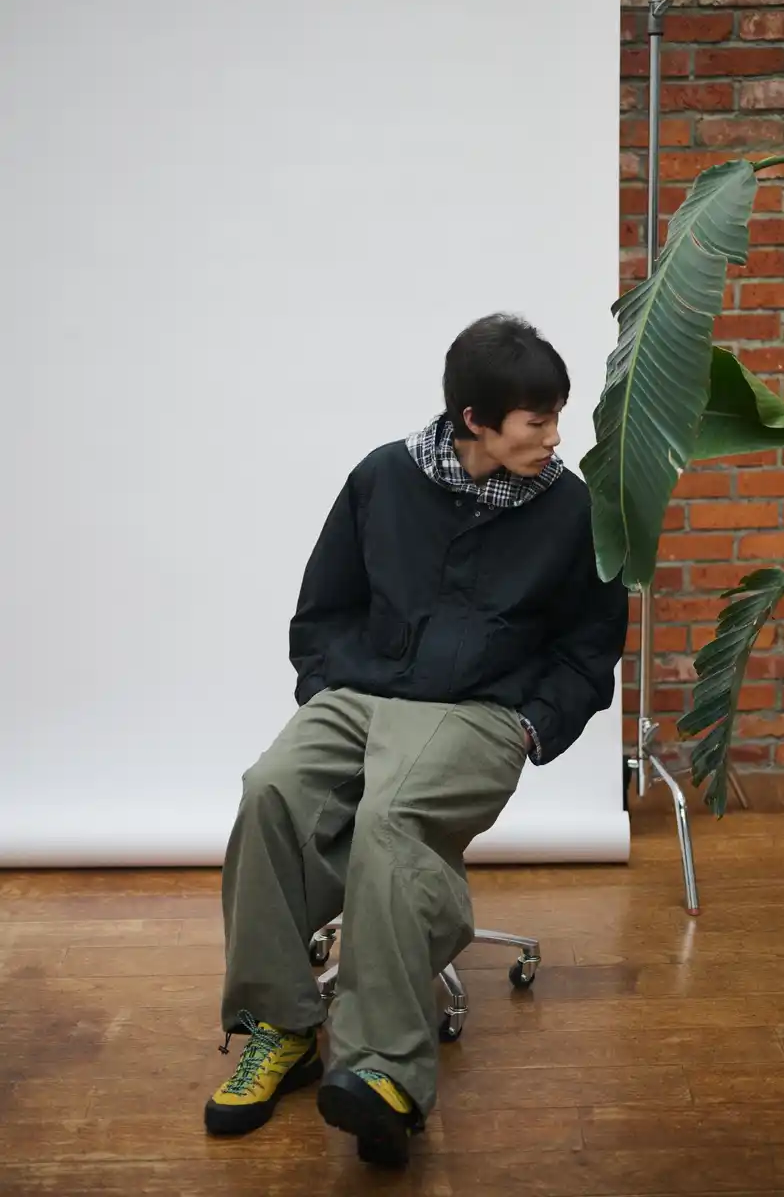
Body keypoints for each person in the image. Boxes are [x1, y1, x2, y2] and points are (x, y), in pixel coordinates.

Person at [204, 313, 628, 1168]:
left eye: (556, 416)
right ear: (475, 420)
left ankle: (384, 1073)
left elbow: (588, 649)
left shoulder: (568, 506)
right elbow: (324, 608)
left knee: (391, 821)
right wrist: (328, 690)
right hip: (364, 692)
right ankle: (279, 1026)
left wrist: (532, 724)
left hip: (479, 710)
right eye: (537, 420)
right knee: (270, 789)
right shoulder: (383, 478)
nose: (554, 437)